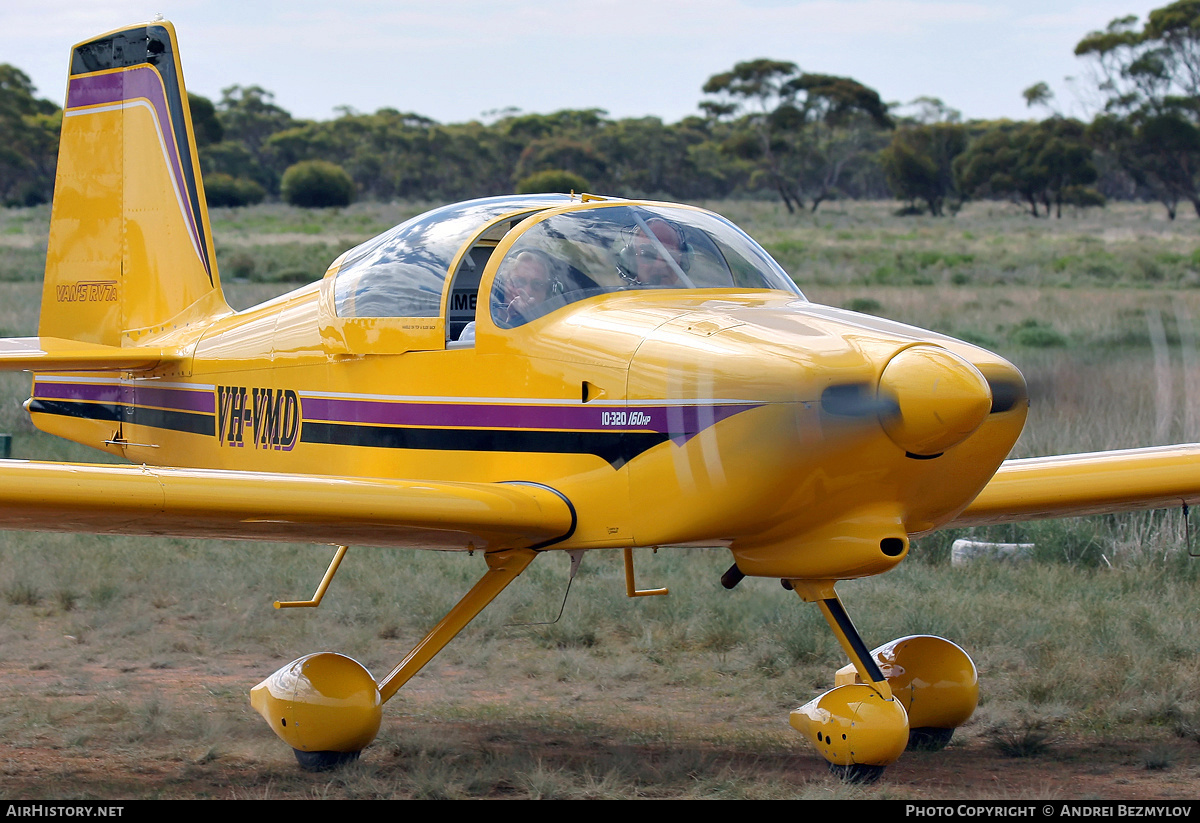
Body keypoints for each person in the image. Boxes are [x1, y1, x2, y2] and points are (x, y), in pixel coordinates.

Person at [494, 248, 558, 328]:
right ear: (503, 285)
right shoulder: (476, 332)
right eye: (518, 281)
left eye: (537, 284)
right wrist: (513, 322)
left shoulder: (557, 333)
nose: (527, 291)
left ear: (547, 293)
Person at [622, 216, 691, 288]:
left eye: (670, 255)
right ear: (632, 261)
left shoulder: (698, 296)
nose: (660, 265)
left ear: (681, 263)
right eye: (649, 255)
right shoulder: (616, 297)